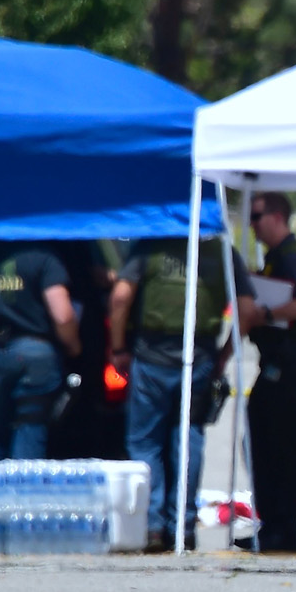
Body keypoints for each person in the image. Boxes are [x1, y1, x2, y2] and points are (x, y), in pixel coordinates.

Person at [110, 236, 256, 553]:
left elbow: (121, 297)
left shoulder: (149, 246)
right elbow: (247, 308)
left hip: (150, 356)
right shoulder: (222, 252)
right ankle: (184, 526)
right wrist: (224, 354)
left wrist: (118, 347)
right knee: (189, 439)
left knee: (145, 442)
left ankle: (150, 527)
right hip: (200, 357)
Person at [247, 192, 296, 554]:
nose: (252, 225)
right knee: (263, 443)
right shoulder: (275, 259)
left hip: (290, 365)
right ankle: (271, 525)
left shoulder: (291, 257)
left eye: (257, 216)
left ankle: (283, 530)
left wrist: (263, 313)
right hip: (275, 363)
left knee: (284, 451)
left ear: (276, 216)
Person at [0, 242, 79, 461]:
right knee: (30, 428)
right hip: (37, 353)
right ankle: (24, 491)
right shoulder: (43, 256)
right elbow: (63, 315)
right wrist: (73, 346)